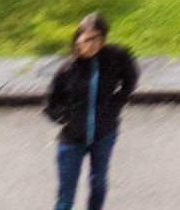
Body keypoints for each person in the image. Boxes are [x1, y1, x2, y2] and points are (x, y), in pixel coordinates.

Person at [42, 11, 140, 209]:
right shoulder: (67, 70)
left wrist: (116, 104)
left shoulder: (115, 57)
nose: (92, 44)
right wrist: (68, 119)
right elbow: (51, 104)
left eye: (97, 38)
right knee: (65, 194)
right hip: (72, 140)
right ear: (77, 40)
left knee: (98, 182)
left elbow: (131, 78)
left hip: (104, 135)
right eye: (87, 39)